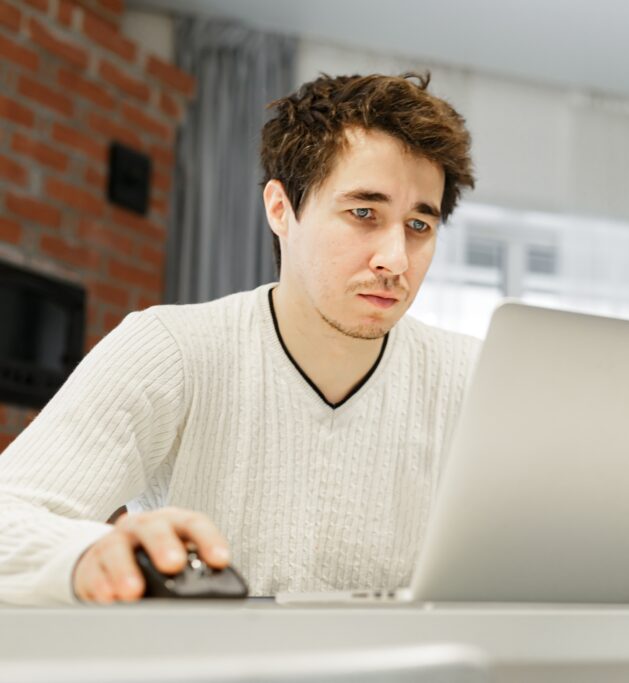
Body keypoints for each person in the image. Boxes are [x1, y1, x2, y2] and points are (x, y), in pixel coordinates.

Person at [0, 72, 479, 605]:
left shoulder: (477, 379)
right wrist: (89, 555)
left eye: (418, 225)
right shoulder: (170, 349)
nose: (395, 260)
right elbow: (8, 516)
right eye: (363, 213)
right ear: (280, 209)